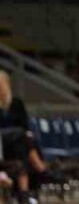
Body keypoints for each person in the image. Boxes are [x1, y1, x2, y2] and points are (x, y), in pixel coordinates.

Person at [0, 71, 45, 204]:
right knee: (21, 135)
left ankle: (24, 197)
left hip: (15, 146)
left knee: (23, 143)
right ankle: (41, 168)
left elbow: (25, 124)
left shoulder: (17, 103)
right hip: (2, 142)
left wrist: (25, 133)